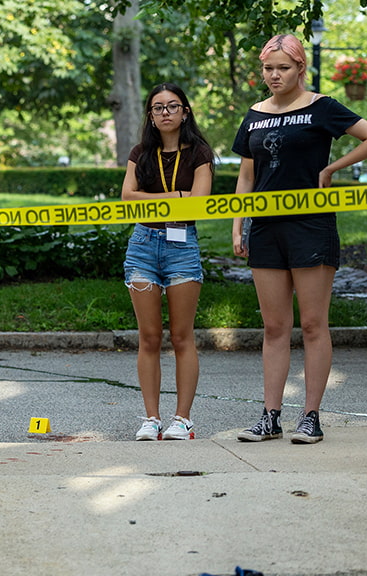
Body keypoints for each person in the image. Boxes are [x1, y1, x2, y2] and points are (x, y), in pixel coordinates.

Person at [231, 34, 367, 444]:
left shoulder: (322, 107)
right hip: (265, 227)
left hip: (311, 225)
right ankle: (270, 416)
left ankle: (311, 417)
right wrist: (237, 222)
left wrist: (333, 167)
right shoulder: (254, 114)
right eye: (268, 68)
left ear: (301, 68)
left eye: (283, 68)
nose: (275, 75)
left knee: (315, 325)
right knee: (274, 327)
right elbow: (246, 176)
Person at [120, 83, 214, 441]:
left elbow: (200, 202)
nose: (165, 113)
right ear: (150, 115)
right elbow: (128, 197)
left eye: (172, 106)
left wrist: (160, 199)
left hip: (181, 245)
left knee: (181, 336)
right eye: (157, 108)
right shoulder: (141, 152)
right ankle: (151, 418)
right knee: (149, 337)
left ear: (185, 111)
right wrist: (175, 195)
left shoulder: (200, 153)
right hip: (143, 243)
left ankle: (182, 419)